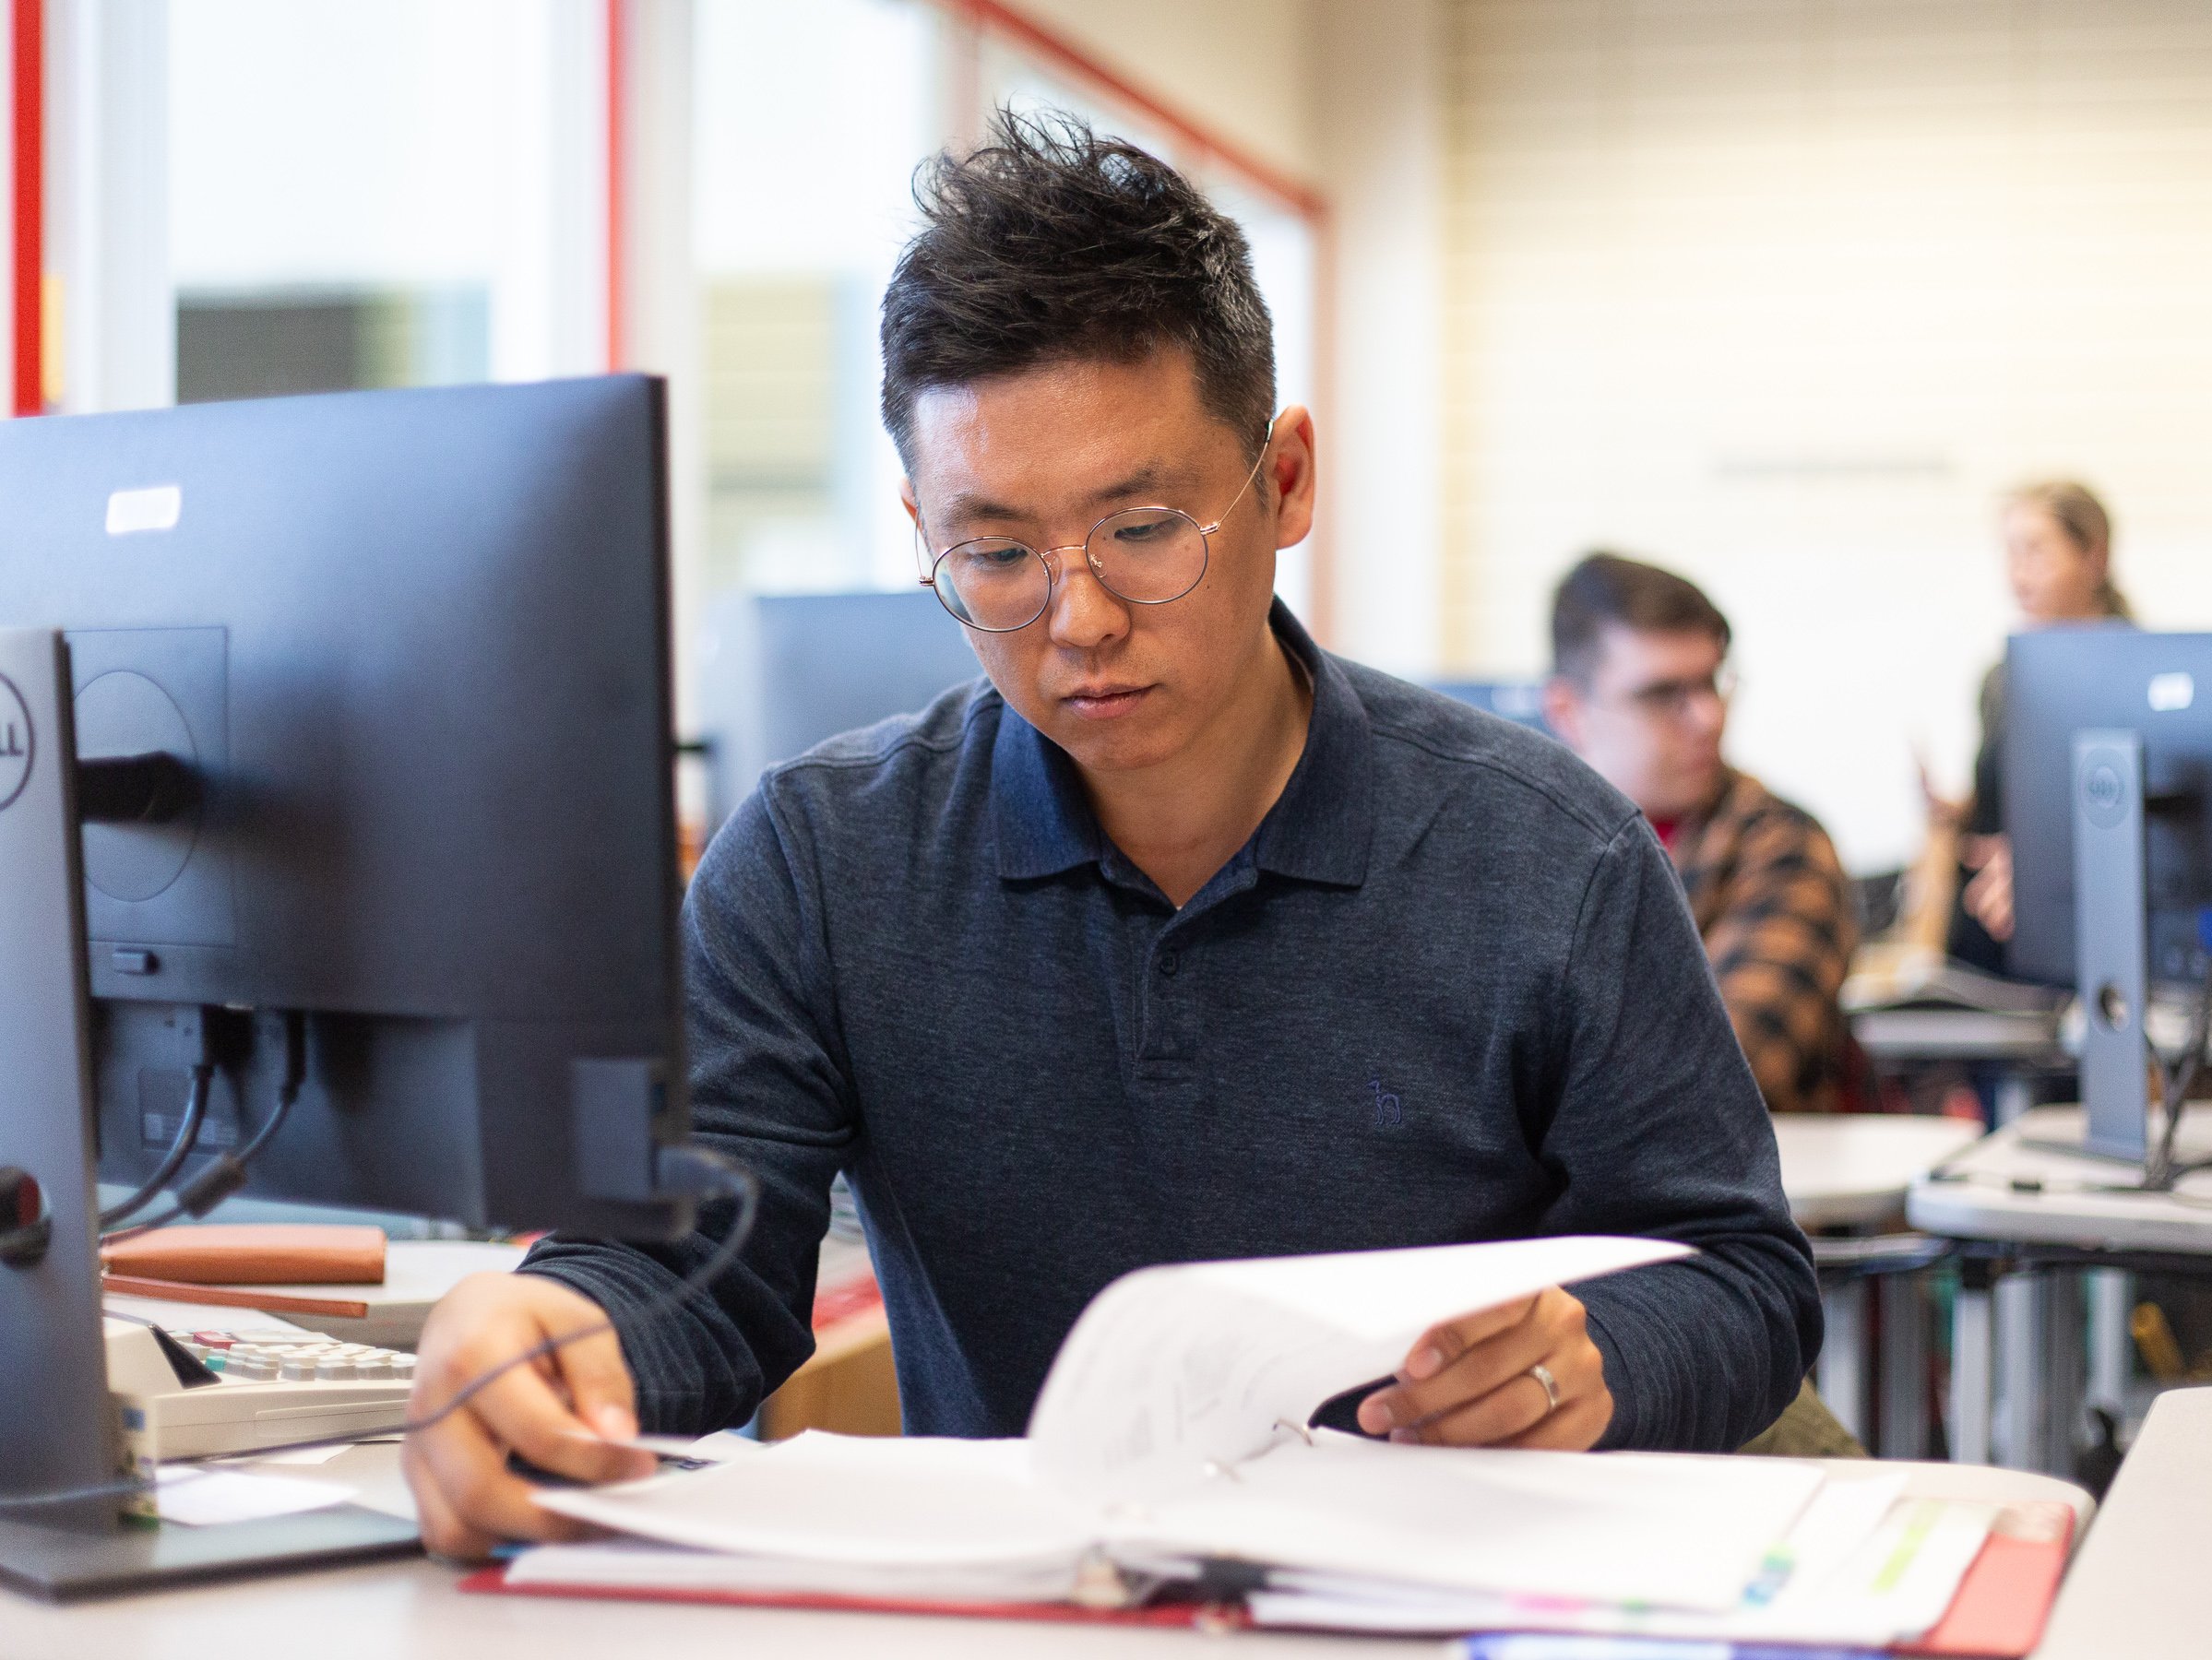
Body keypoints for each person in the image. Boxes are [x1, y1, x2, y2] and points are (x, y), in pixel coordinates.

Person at [401, 115, 1819, 1558]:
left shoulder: (1544, 852)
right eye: (997, 553)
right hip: (1047, 1602)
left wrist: (1597, 1359)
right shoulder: (826, 862)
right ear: (922, 528)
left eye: (1143, 527)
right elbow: (693, 1269)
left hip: (1444, 1591)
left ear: (1285, 482)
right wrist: (551, 1328)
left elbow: (1740, 1277)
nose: (1076, 619)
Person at [1540, 554, 1858, 1117]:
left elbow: (1723, 1074)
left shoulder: (1780, 844)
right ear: (1569, 712)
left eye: (1712, 682)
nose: (1709, 716)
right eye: (1665, 694)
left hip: (1727, 1202)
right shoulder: (1521, 846)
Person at [1944, 481, 2132, 966]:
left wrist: (2041, 859)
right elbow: (2004, 797)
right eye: (2010, 553)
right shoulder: (2001, 679)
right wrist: (1954, 812)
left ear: (2094, 557)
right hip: (1988, 921)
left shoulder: (2134, 675)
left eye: (2035, 551)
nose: (2018, 573)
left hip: (2080, 930)